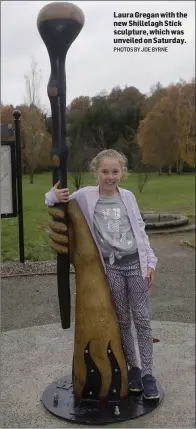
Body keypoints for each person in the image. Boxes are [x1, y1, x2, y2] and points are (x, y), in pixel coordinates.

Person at [45, 149, 159, 400]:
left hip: (135, 266)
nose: (110, 176)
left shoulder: (127, 197)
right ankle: (135, 370)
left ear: (123, 173)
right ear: (95, 172)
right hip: (113, 269)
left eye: (115, 171)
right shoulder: (86, 196)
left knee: (141, 318)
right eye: (104, 171)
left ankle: (149, 373)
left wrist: (150, 262)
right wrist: (51, 194)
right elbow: (56, 201)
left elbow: (139, 230)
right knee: (123, 321)